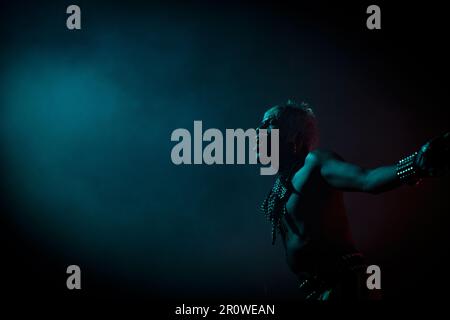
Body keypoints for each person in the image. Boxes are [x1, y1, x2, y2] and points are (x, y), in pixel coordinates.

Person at [257, 100, 449, 300]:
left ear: (294, 137)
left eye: (268, 124)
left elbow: (368, 179)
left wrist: (416, 164)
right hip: (321, 291)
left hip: (347, 284)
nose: (258, 132)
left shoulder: (314, 164)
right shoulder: (281, 185)